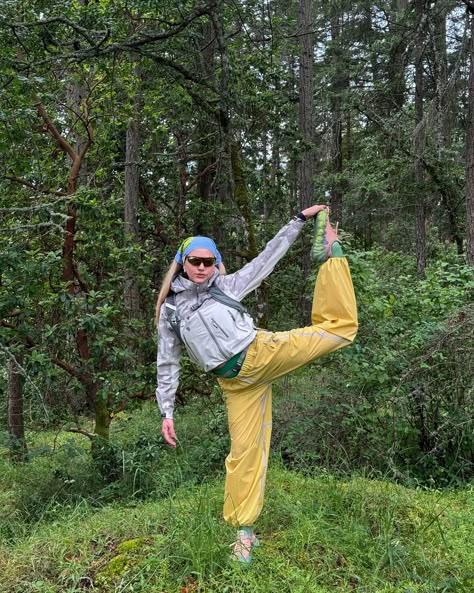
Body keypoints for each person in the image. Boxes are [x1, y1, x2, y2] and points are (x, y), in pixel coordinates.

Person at [155, 205, 358, 563]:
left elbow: (266, 259)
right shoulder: (170, 312)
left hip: (262, 354)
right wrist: (166, 411)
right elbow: (167, 363)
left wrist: (296, 221)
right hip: (235, 385)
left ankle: (333, 254)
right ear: (182, 262)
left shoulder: (228, 287)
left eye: (208, 261)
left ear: (216, 263)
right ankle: (244, 535)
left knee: (338, 330)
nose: (202, 267)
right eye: (194, 261)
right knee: (243, 455)